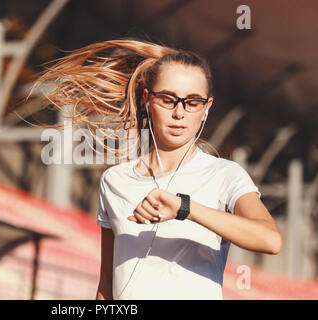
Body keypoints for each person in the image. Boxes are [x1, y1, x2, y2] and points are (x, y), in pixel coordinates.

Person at [32, 39, 282, 300]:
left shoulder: (225, 175)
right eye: (168, 99)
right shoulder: (114, 180)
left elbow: (270, 240)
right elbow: (107, 280)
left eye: (192, 102)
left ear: (206, 108)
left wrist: (184, 208)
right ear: (148, 99)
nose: (179, 113)